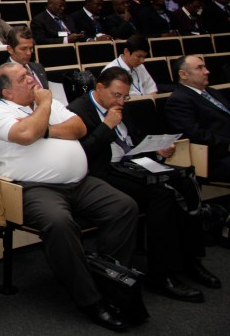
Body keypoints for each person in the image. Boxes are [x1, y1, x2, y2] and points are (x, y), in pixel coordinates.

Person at [0, 62, 138, 331]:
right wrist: (43, 107)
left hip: (79, 182)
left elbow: (79, 128)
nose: (31, 79)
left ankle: (108, 277)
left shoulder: (50, 104)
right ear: (7, 92)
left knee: (124, 207)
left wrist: (44, 130)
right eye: (22, 78)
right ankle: (90, 300)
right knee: (59, 223)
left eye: (29, 74)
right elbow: (26, 134)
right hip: (34, 188)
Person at [68, 67, 219, 301]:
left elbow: (134, 139)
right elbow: (81, 154)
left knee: (187, 182)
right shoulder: (77, 111)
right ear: (99, 88)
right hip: (104, 172)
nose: (121, 101)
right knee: (162, 195)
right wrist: (107, 125)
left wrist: (156, 149)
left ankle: (190, 259)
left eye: (125, 96)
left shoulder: (119, 106)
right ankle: (161, 274)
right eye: (116, 95)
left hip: (133, 164)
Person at [166, 55, 230, 181]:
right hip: (214, 157)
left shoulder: (211, 92)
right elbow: (195, 135)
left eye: (205, 67)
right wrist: (227, 144)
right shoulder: (178, 100)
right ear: (183, 74)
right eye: (200, 68)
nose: (207, 71)